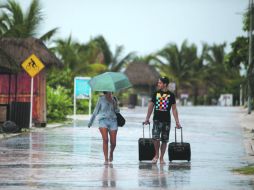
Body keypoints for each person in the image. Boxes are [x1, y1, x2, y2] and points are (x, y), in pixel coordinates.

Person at [143, 76, 181, 164]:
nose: (158, 84)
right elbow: (150, 106)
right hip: (156, 119)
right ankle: (156, 155)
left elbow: (174, 109)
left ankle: (161, 158)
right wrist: (147, 118)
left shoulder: (171, 95)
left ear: (165, 84)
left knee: (164, 140)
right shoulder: (155, 93)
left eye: (160, 83)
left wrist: (177, 122)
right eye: (158, 82)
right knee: (155, 138)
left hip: (167, 121)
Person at [88, 91, 119, 164]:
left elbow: (117, 111)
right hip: (103, 121)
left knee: (113, 143)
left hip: (113, 121)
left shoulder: (114, 99)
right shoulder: (101, 99)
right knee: (105, 139)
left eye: (110, 91)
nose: (109, 92)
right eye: (107, 91)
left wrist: (115, 105)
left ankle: (111, 152)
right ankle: (106, 159)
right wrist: (91, 122)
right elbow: (96, 111)